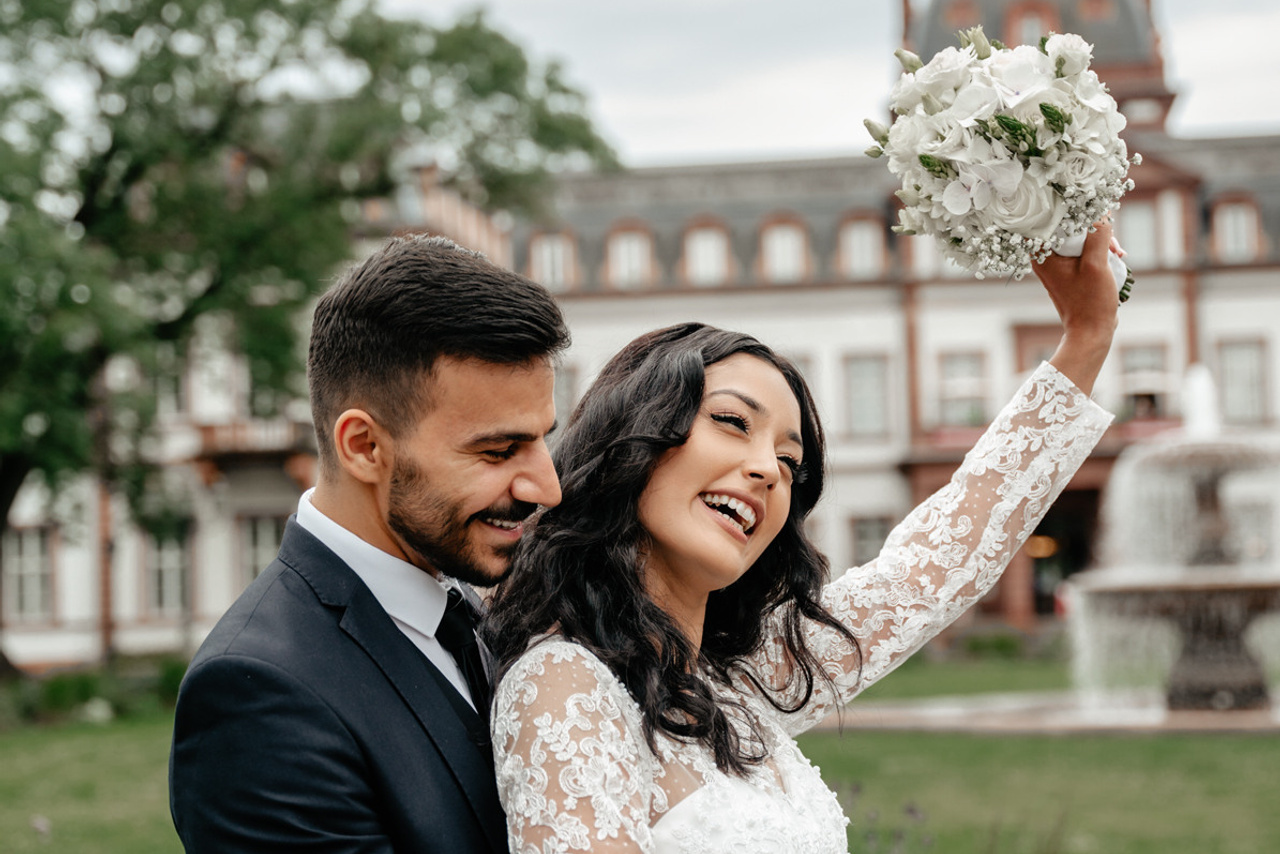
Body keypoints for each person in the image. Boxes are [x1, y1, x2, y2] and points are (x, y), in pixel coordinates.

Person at [484, 224, 1122, 852]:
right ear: (633, 439)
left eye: (789, 462)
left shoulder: (733, 684)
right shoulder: (567, 687)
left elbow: (930, 571)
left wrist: (1087, 338)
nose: (767, 470)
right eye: (733, 422)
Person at [169, 235, 568, 853]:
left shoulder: (474, 608)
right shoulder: (257, 696)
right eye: (498, 450)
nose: (547, 486)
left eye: (543, 439)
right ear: (364, 447)